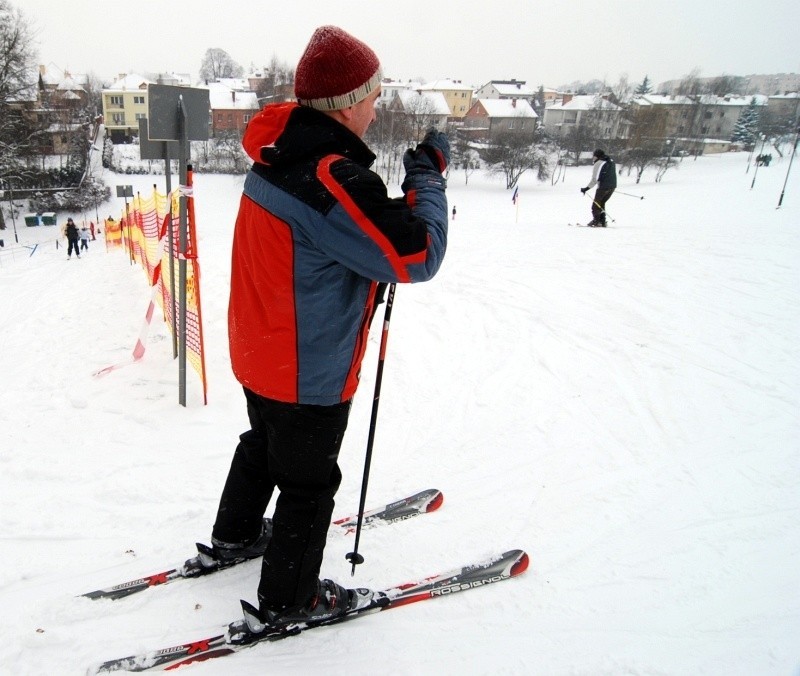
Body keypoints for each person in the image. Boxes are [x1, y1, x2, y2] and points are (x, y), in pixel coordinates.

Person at [208, 25, 449, 630]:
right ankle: (290, 599)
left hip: (258, 347)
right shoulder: (329, 178)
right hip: (305, 367)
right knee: (309, 483)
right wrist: (427, 179)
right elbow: (417, 254)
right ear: (344, 104)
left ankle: (235, 534)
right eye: (372, 94)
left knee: (264, 441)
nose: (377, 105)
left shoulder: (275, 153)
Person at [580, 148, 616, 227]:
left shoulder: (599, 163)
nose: (593, 158)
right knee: (601, 203)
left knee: (595, 205)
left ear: (597, 156)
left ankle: (597, 221)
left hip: (603, 188)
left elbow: (594, 179)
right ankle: (602, 221)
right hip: (612, 187)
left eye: (594, 156)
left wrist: (586, 188)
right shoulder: (611, 161)